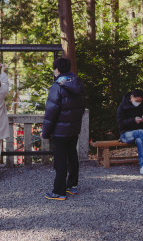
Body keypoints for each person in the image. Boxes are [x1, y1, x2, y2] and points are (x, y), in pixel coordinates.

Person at [42, 57, 86, 200]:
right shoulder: (77, 83)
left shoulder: (57, 87)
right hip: (73, 128)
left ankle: (59, 192)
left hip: (60, 130)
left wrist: (46, 132)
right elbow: (81, 107)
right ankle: (72, 186)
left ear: (58, 70)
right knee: (72, 156)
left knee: (60, 160)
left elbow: (51, 112)